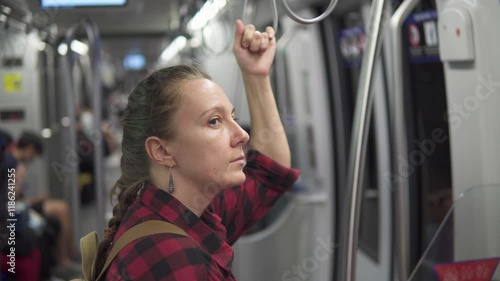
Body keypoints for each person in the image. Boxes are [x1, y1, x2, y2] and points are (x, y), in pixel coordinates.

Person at [95, 20, 299, 280]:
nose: (242, 135)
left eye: (233, 118)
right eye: (214, 121)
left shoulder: (190, 210)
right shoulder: (174, 260)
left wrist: (256, 75)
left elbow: (270, 174)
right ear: (162, 151)